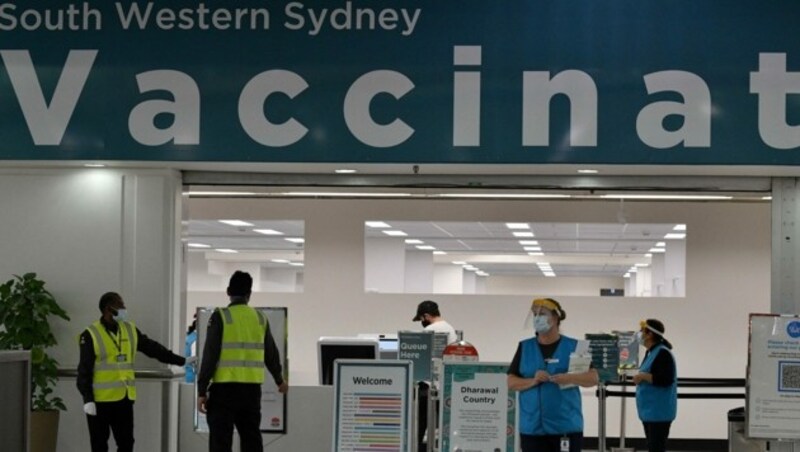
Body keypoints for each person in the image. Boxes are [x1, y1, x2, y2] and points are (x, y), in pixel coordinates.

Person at [77, 292, 192, 452]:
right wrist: (87, 399)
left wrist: (181, 360)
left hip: (124, 399)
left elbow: (153, 349)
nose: (124, 309)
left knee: (126, 444)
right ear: (108, 309)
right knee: (99, 445)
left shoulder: (129, 329)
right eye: (121, 305)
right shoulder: (90, 334)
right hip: (99, 402)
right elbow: (84, 370)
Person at [197, 271, 289, 452]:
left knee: (221, 442)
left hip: (224, 391)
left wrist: (201, 390)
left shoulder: (221, 316)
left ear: (228, 291)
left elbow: (210, 356)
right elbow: (271, 353)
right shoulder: (260, 318)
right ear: (249, 294)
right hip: (251, 392)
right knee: (251, 439)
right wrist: (279, 380)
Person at [507, 298, 599, 452]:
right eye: (534, 314)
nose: (537, 318)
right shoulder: (524, 347)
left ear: (556, 318)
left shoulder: (576, 346)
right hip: (532, 429)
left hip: (566, 427)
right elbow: (511, 382)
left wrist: (569, 377)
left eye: (541, 314)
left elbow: (593, 378)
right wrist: (533, 381)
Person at [412, 300, 457, 452]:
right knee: (444, 423)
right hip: (445, 383)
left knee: (421, 423)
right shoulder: (450, 329)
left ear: (426, 316)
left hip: (428, 384)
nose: (421, 322)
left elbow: (420, 358)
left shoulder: (428, 330)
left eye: (421, 319)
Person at [633, 319, 677, 452]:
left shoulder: (663, 353)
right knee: (653, 447)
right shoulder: (651, 352)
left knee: (656, 447)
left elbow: (665, 379)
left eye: (642, 331)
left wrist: (642, 376)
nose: (639, 334)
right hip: (650, 411)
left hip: (658, 412)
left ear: (649, 334)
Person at [185, 316, 198, 383]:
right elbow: (195, 361)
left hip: (186, 374)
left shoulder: (188, 336)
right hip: (191, 376)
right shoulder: (196, 339)